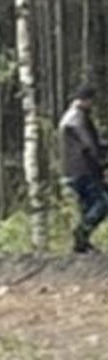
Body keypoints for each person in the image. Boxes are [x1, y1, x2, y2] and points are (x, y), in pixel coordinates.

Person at [61, 85, 107, 254]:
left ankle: (81, 245)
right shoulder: (78, 119)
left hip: (73, 171)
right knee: (103, 202)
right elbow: (90, 145)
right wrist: (103, 164)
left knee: (87, 206)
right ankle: (81, 233)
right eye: (91, 100)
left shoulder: (71, 117)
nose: (92, 104)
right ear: (86, 100)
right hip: (84, 170)